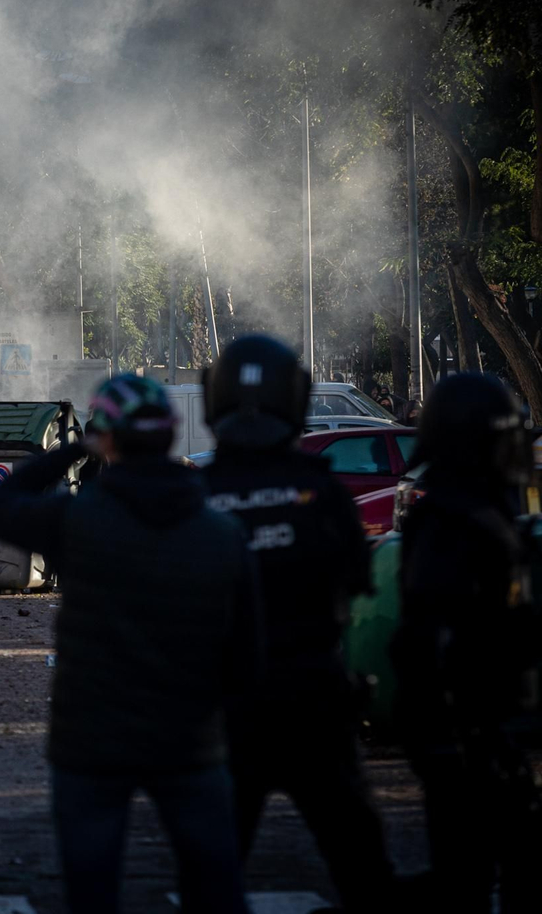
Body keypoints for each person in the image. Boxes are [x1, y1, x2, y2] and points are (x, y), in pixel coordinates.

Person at [0, 374, 261, 914]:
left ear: (106, 438)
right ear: (172, 433)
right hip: (190, 742)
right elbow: (248, 656)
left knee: (93, 892)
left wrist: (70, 450)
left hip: (92, 742)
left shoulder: (79, 518)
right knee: (217, 889)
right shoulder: (221, 533)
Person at [200, 335, 399, 911]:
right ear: (297, 399)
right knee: (358, 859)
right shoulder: (324, 492)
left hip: (228, 708)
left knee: (214, 866)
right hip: (316, 701)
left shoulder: (197, 496)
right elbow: (358, 582)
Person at [394, 373, 541, 913]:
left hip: (487, 729)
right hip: (466, 733)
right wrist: (451, 736)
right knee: (470, 879)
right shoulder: (454, 519)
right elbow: (433, 634)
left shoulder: (482, 509)